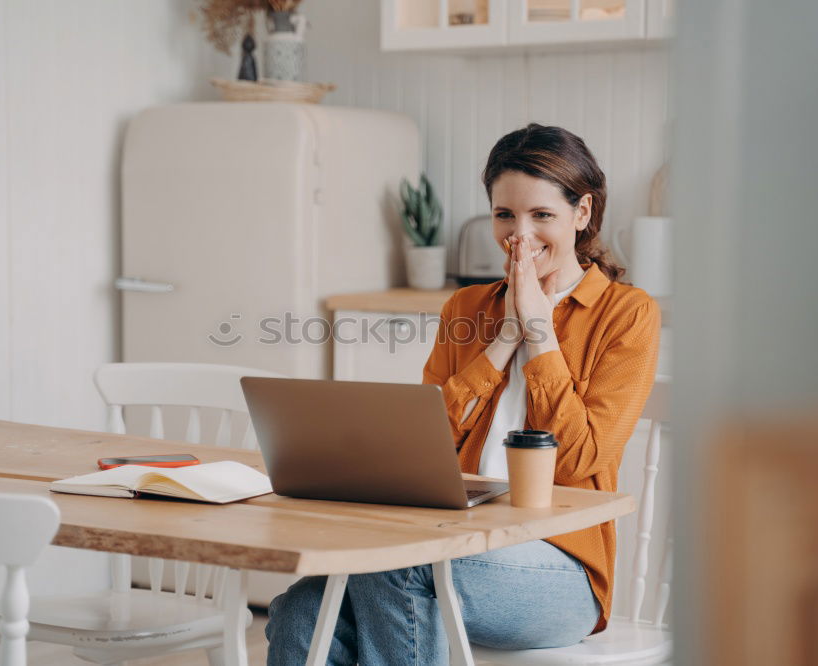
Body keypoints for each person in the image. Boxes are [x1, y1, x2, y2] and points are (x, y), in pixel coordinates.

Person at [264, 124, 661, 664]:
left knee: (398, 563)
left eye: (542, 215)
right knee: (299, 608)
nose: (519, 234)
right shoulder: (467, 309)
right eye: (505, 215)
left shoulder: (627, 313)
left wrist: (541, 333)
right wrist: (504, 339)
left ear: (583, 214)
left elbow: (582, 458)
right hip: (455, 537)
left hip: (560, 572)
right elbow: (423, 444)